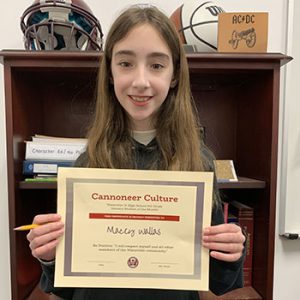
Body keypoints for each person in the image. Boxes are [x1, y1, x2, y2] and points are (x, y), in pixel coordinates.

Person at [27, 4, 246, 300]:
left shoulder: (199, 163)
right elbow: (64, 287)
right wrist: (51, 257)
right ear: (110, 72)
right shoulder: (87, 163)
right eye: (126, 63)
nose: (140, 81)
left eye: (156, 65)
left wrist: (231, 252)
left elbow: (220, 283)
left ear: (174, 75)